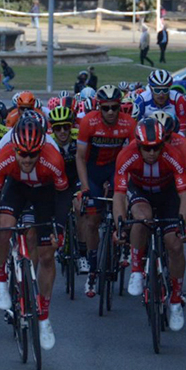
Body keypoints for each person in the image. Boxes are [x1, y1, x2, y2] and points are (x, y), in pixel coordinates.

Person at [0, 117, 71, 351]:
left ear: (41, 149)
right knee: (4, 226)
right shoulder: (4, 155)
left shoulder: (53, 158)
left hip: (45, 193)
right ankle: (0, 276)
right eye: (22, 154)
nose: (27, 159)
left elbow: (63, 195)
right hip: (16, 188)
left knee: (47, 255)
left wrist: (59, 228)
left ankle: (44, 317)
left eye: (32, 154)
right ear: (14, 148)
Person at [115, 118, 186, 330]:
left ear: (163, 144)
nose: (151, 153)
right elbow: (119, 195)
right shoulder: (127, 155)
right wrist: (120, 224)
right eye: (146, 149)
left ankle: (175, 301)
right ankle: (137, 270)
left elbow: (185, 194)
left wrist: (182, 224)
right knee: (142, 217)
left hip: (167, 195)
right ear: (138, 145)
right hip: (139, 192)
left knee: (174, 244)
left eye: (156, 148)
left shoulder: (173, 155)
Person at [76, 85, 137, 297]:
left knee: (126, 201)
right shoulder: (88, 122)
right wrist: (85, 187)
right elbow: (80, 157)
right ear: (99, 108)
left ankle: (123, 238)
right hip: (93, 171)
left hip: (116, 169)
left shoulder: (129, 123)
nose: (110, 112)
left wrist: (125, 185)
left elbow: (133, 157)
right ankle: (93, 271)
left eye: (114, 107)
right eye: (106, 108)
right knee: (92, 221)